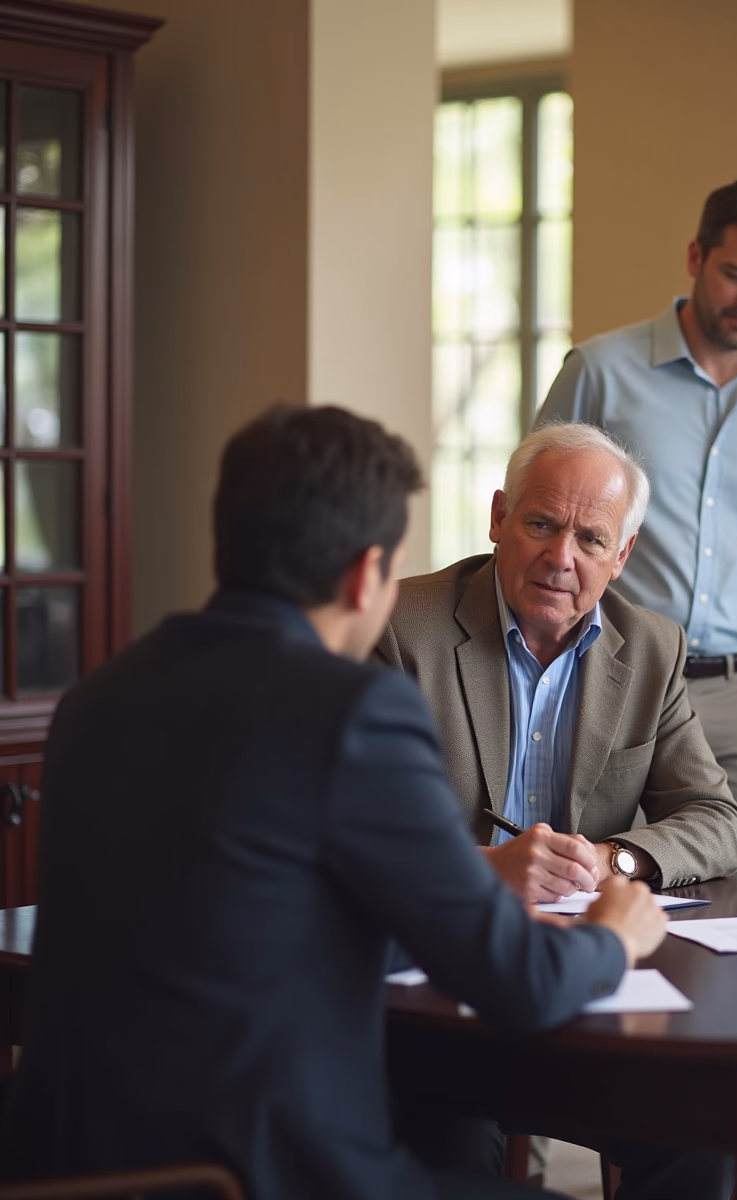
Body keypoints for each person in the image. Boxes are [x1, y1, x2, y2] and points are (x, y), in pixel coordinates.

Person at [0, 405, 668, 1200]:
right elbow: (517, 982)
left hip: (66, 1167)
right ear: (365, 575)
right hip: (256, 1173)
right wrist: (614, 937)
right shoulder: (353, 713)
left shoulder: (94, 698)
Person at [536, 178, 737, 884]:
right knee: (601, 885)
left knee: (721, 896)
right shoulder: (601, 371)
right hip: (617, 677)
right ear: (696, 256)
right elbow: (538, 512)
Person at [377, 422, 737, 901]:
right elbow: (346, 819)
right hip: (434, 921)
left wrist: (608, 859)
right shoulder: (400, 627)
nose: (560, 558)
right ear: (498, 517)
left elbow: (719, 822)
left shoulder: (651, 649)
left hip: (581, 935)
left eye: (591, 539)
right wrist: (486, 867)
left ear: (621, 555)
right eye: (541, 525)